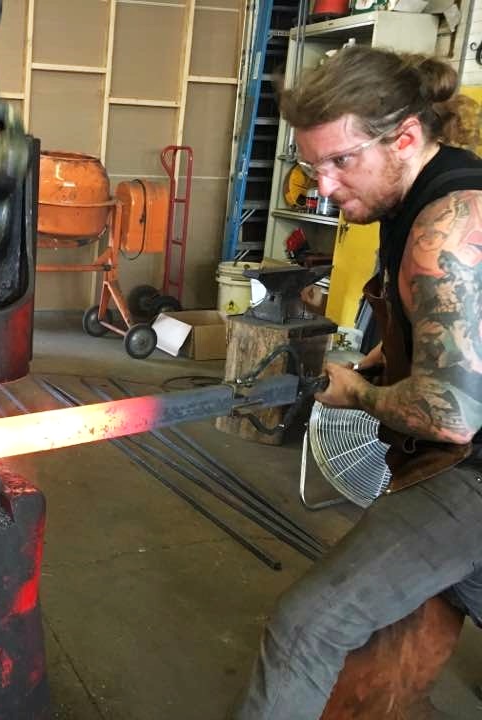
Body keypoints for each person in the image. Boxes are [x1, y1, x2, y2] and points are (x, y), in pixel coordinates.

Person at [233, 45, 482, 719]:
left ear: (405, 136)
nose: (325, 186)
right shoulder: (416, 194)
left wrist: (357, 393)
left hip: (473, 468)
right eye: (314, 165)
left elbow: (450, 413)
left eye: (342, 161)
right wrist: (388, 363)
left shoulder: (446, 232)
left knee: (306, 627)